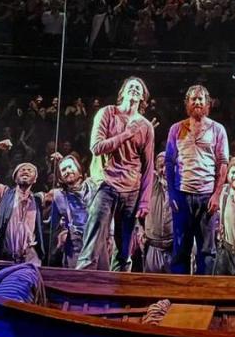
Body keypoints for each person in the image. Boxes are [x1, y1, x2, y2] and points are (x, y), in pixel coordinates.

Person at [77, 77, 157, 271]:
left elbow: (148, 166)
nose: (135, 89)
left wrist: (145, 201)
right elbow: (96, 147)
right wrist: (126, 134)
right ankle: (83, 288)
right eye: (131, 86)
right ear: (122, 92)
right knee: (93, 243)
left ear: (143, 97)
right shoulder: (107, 113)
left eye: (139, 88)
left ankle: (119, 292)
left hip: (132, 190)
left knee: (124, 251)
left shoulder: (146, 126)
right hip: (106, 185)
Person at [165, 85, 229, 275]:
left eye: (201, 99)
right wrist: (172, 194)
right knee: (180, 249)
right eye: (193, 99)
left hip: (206, 196)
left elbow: (223, 163)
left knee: (207, 251)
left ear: (208, 103)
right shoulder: (176, 129)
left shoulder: (218, 129)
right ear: (187, 103)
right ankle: (180, 297)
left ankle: (205, 297)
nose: (197, 102)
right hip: (182, 194)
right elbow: (169, 163)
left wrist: (217, 195)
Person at [0, 139, 46, 263]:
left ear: (35, 179)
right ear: (15, 176)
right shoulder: (4, 193)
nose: (26, 171)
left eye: (30, 170)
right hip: (3, 256)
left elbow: (65, 190)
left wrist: (59, 164)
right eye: (22, 169)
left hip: (30, 259)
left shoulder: (39, 199)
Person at [49, 152, 98, 269]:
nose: (67, 171)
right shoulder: (58, 196)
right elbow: (52, 225)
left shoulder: (94, 185)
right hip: (75, 246)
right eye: (63, 170)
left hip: (98, 241)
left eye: (70, 167)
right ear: (60, 176)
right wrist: (61, 232)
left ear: (79, 169)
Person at [142, 152, 174, 273]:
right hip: (153, 247)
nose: (164, 170)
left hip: (173, 247)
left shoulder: (179, 185)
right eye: (161, 166)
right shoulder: (150, 183)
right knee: (150, 287)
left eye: (168, 165)